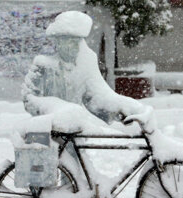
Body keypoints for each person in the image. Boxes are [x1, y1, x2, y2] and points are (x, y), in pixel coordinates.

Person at [22, 11, 151, 129]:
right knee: (42, 149)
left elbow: (98, 96)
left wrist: (124, 107)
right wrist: (57, 109)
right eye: (64, 41)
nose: (68, 46)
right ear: (56, 42)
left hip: (73, 131)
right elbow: (29, 98)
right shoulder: (43, 65)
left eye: (74, 42)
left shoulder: (85, 63)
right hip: (43, 130)